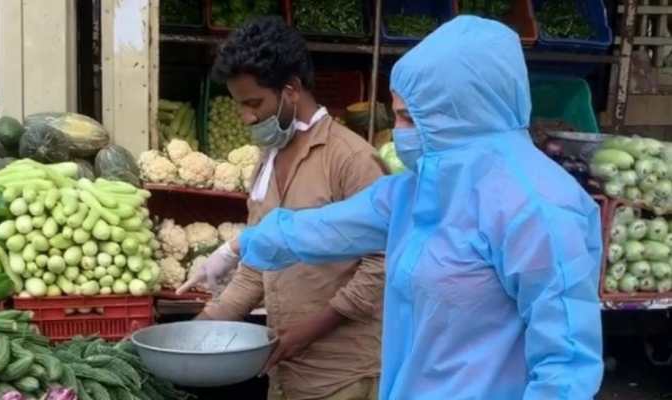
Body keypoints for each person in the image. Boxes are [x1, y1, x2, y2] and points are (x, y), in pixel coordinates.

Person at [184, 16, 605, 400]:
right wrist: (241, 247)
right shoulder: (421, 190)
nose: (398, 133)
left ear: (461, 114)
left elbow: (565, 366)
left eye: (408, 118)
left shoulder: (541, 209)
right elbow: (328, 227)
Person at [178, 17, 386, 400]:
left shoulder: (351, 158)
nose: (246, 117)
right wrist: (191, 334)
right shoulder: (267, 161)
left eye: (254, 103)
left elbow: (381, 264)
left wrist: (309, 331)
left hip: (344, 377)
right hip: (285, 373)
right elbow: (257, 267)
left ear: (291, 90)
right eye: (239, 105)